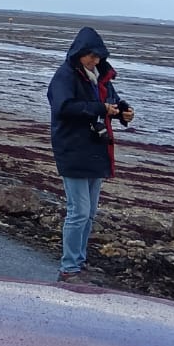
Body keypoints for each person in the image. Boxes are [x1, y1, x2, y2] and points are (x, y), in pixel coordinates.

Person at [48, 25, 134, 282]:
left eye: (98, 57)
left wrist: (123, 111)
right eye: (90, 56)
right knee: (79, 211)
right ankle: (69, 267)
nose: (94, 60)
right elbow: (63, 107)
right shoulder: (65, 76)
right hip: (73, 149)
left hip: (96, 149)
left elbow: (113, 102)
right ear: (79, 52)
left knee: (90, 213)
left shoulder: (101, 76)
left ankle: (79, 262)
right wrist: (99, 108)